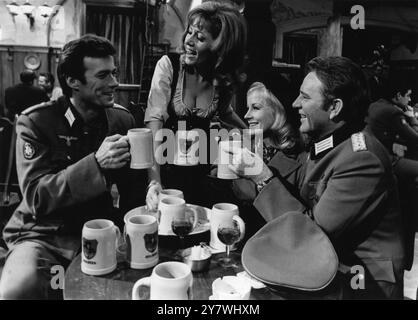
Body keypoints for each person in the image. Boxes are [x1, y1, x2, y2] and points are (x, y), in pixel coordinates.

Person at [227, 56, 405, 299]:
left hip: (363, 283)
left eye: (306, 97)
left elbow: (311, 237)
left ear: (335, 108)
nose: (295, 103)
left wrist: (263, 176)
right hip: (328, 268)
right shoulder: (330, 143)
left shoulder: (362, 159)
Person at [0, 34, 148, 299]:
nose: (114, 83)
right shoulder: (37, 122)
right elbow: (37, 197)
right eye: (103, 75)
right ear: (72, 82)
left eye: (114, 73)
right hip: (44, 236)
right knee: (17, 290)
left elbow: (132, 192)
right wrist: (96, 164)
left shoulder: (121, 120)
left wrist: (139, 222)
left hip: (100, 229)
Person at [145, 1, 247, 209]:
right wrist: (154, 181)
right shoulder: (168, 66)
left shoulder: (222, 81)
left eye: (200, 38)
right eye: (189, 32)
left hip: (202, 178)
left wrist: (252, 134)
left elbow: (226, 113)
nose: (189, 41)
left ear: (220, 48)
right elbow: (154, 122)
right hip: (165, 173)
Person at [224, 82, 307, 241]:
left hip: (279, 244)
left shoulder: (303, 157)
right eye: (248, 108)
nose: (247, 115)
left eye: (255, 108)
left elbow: (300, 226)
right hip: (238, 239)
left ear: (278, 110)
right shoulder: (243, 145)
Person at [366, 80, 418, 270]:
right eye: (408, 95)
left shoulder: (376, 105)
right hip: (385, 160)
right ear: (397, 96)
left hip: (373, 155)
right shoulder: (393, 112)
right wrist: (412, 117)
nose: (410, 98)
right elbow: (414, 139)